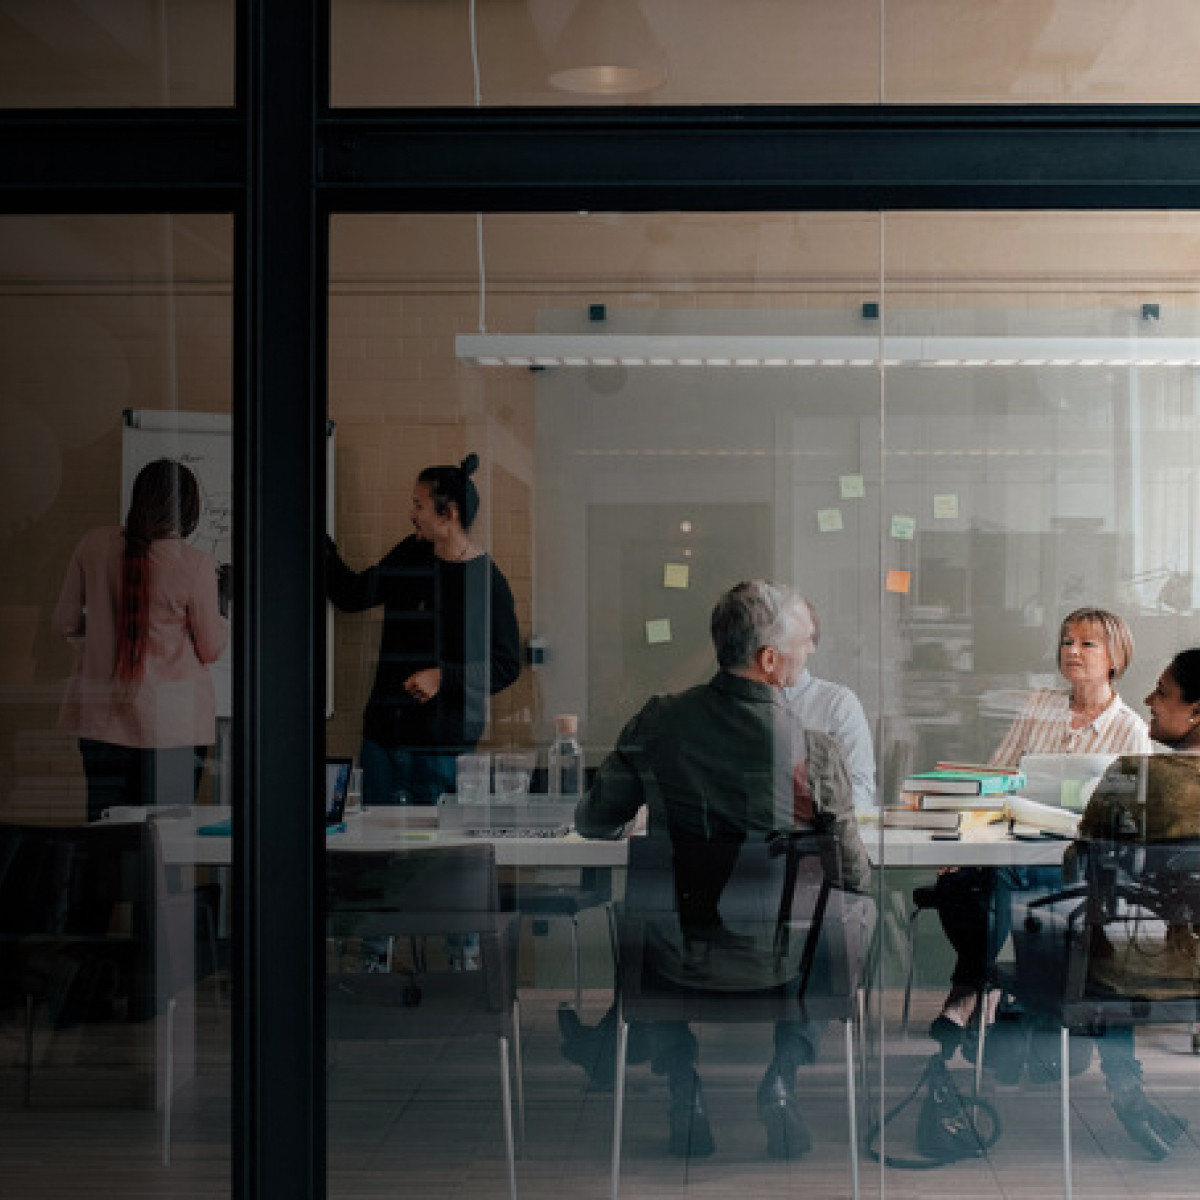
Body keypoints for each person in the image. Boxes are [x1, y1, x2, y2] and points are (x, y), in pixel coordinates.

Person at [575, 581, 872, 1160]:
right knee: (855, 912)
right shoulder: (814, 750)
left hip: (676, 956)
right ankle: (783, 1075)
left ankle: (683, 1082)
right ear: (767, 660)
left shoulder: (659, 723)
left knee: (647, 918)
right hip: (783, 963)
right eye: (800, 646)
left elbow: (592, 822)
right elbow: (854, 871)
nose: (807, 655)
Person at [929, 606, 1152, 1051]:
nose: (1073, 650)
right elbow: (996, 778)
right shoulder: (1039, 707)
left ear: (1115, 656)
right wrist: (965, 842)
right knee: (957, 881)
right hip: (1014, 848)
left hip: (1077, 863)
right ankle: (979, 985)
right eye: (1068, 641)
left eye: (1088, 643)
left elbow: (1134, 821)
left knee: (1006, 880)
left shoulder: (1130, 730)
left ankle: (971, 990)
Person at [1045, 647, 1200, 1158]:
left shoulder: (1136, 775)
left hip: (1140, 969)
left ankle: (1124, 1090)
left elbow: (1078, 863)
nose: (1150, 700)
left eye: (1163, 691)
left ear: (1197, 712)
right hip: (1190, 958)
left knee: (1082, 943)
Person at [326, 453, 521, 806]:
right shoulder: (410, 554)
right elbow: (353, 595)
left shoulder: (485, 582)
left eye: (419, 505)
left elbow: (506, 667)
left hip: (440, 751)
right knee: (374, 855)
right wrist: (314, 538)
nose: (412, 514)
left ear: (449, 514)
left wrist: (442, 677)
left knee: (432, 858)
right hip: (382, 739)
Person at [53, 459, 229, 824]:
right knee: (168, 846)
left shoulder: (93, 544)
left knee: (106, 844)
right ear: (189, 510)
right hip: (172, 726)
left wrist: (104, 622)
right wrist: (223, 611)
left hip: (103, 719)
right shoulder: (195, 564)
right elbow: (210, 649)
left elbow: (65, 622)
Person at [786, 596, 876, 814]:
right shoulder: (736, 702)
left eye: (791, 635)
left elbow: (860, 791)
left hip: (819, 836)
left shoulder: (837, 704)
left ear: (811, 644)